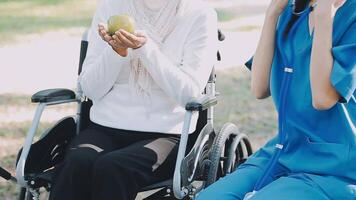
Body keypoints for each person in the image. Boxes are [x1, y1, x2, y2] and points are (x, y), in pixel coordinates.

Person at [48, 0, 217, 199]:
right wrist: (117, 52)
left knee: (113, 167)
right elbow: (91, 90)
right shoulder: (111, 8)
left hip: (165, 133)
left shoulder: (199, 14)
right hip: (105, 126)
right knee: (77, 162)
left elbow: (190, 93)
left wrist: (145, 49)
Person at [197, 0, 355, 199]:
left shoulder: (351, 15)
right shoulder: (293, 9)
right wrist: (273, 12)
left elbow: (323, 99)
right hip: (285, 148)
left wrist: (324, 18)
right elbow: (259, 87)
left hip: (334, 164)